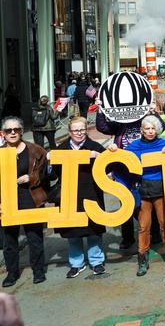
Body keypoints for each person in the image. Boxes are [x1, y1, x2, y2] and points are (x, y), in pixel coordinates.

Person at [108, 115, 165, 276]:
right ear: (142, 130)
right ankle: (142, 259)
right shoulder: (135, 146)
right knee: (143, 227)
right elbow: (122, 158)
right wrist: (114, 150)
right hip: (142, 191)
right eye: (147, 128)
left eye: (153, 128)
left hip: (161, 190)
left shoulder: (163, 144)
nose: (150, 131)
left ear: (157, 130)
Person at [96, 101, 164, 250]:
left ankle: (154, 233)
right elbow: (102, 127)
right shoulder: (119, 124)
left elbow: (160, 127)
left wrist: (153, 111)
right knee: (125, 203)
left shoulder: (144, 121)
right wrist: (100, 109)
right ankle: (127, 238)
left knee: (148, 200)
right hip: (123, 170)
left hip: (144, 168)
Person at [52, 117, 107, 278]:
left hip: (92, 194)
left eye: (82, 130)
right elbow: (54, 174)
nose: (79, 133)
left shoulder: (96, 148)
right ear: (69, 132)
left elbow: (109, 167)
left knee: (94, 230)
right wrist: (50, 162)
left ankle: (96, 262)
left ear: (86, 130)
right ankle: (76, 263)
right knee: (73, 232)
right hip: (70, 196)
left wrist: (100, 156)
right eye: (76, 130)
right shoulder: (61, 149)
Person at [1, 117, 48, 287]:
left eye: (16, 129)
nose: (12, 133)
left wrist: (32, 177)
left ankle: (38, 271)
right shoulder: (0, 153)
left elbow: (47, 174)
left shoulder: (35, 150)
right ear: (3, 134)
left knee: (34, 237)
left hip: (31, 197)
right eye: (8, 130)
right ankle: (12, 274)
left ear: (21, 131)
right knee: (9, 240)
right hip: (6, 201)